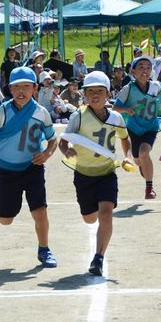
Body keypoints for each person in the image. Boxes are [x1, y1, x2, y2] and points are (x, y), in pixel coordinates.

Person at [0, 66, 58, 268]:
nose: (21, 91)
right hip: (7, 172)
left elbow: (52, 139)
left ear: (35, 88)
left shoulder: (41, 113)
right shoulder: (2, 112)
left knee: (40, 211)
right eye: (17, 87)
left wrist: (47, 153)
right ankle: (13, 205)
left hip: (33, 167)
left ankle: (44, 249)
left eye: (26, 86)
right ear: (10, 89)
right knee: (5, 219)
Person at [59, 71, 133, 276]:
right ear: (84, 94)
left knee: (106, 213)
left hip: (107, 173)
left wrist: (127, 156)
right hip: (83, 174)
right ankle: (96, 243)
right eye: (90, 91)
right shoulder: (78, 117)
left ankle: (98, 258)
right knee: (89, 219)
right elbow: (63, 140)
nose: (95, 95)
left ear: (108, 94)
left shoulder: (116, 118)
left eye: (100, 91)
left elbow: (125, 139)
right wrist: (67, 150)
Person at [113, 55, 161, 199]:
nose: (145, 70)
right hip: (133, 127)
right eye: (141, 67)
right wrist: (126, 109)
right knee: (138, 159)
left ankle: (149, 188)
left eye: (148, 67)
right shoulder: (128, 89)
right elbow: (115, 107)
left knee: (144, 153)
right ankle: (142, 165)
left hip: (150, 126)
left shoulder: (155, 86)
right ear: (133, 71)